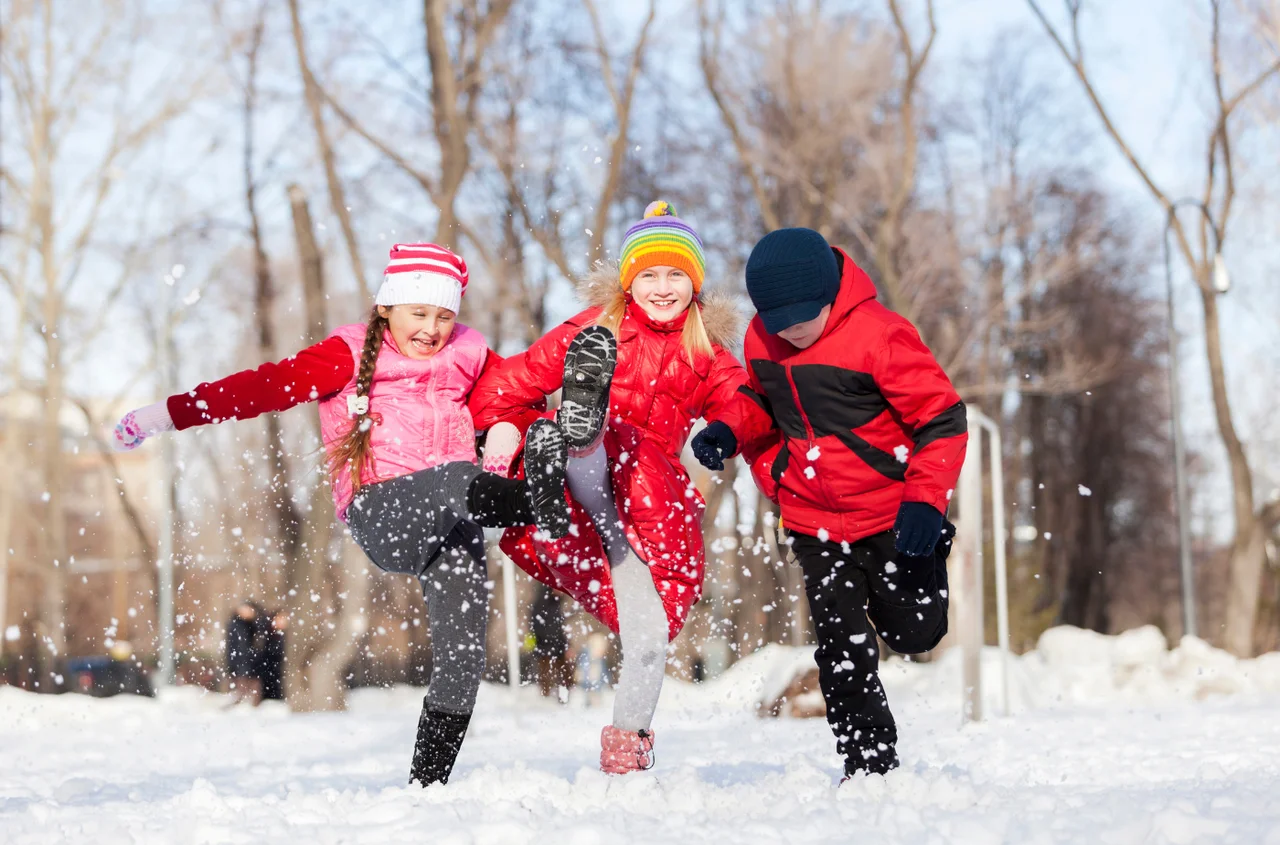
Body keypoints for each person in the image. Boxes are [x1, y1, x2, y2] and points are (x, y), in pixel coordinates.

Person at [110, 243, 576, 787]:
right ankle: (536, 504)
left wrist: (529, 427)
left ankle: (427, 788)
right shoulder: (349, 355)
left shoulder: (470, 354)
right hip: (381, 507)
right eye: (418, 314)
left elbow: (512, 396)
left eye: (445, 316)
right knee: (456, 479)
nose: (431, 329)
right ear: (387, 309)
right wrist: (166, 414)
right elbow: (260, 388)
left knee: (464, 657)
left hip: (455, 519)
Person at [471, 201, 747, 774]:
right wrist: (506, 431)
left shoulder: (705, 352)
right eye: (649, 274)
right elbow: (506, 386)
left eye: (675, 275)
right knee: (609, 445)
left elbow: (744, 404)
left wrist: (724, 431)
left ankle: (627, 752)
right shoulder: (594, 328)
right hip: (580, 493)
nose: (662, 287)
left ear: (694, 284)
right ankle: (578, 432)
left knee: (651, 637)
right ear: (629, 281)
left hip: (637, 520)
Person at [691, 227, 967, 780]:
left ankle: (932, 550)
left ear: (829, 294)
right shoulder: (763, 341)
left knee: (916, 632)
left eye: (802, 318)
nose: (790, 331)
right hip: (814, 519)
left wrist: (925, 501)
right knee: (840, 651)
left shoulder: (881, 337)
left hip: (892, 512)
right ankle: (868, 767)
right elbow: (759, 402)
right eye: (777, 321)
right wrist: (728, 429)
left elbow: (942, 419)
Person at [530, 585, 571, 701]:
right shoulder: (542, 602)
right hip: (545, 645)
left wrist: (566, 644)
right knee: (546, 674)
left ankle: (563, 697)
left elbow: (559, 627)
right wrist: (549, 640)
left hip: (558, 646)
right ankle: (546, 699)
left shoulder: (556, 604)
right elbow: (537, 625)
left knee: (564, 673)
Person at [224, 601, 262, 707]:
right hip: (240, 663)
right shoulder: (236, 625)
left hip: (250, 663)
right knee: (240, 691)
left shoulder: (251, 626)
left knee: (250, 691)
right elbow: (236, 647)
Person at [257, 609, 287, 702]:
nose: (283, 621)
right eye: (281, 618)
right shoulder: (265, 634)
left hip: (277, 677)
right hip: (266, 677)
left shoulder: (282, 635)